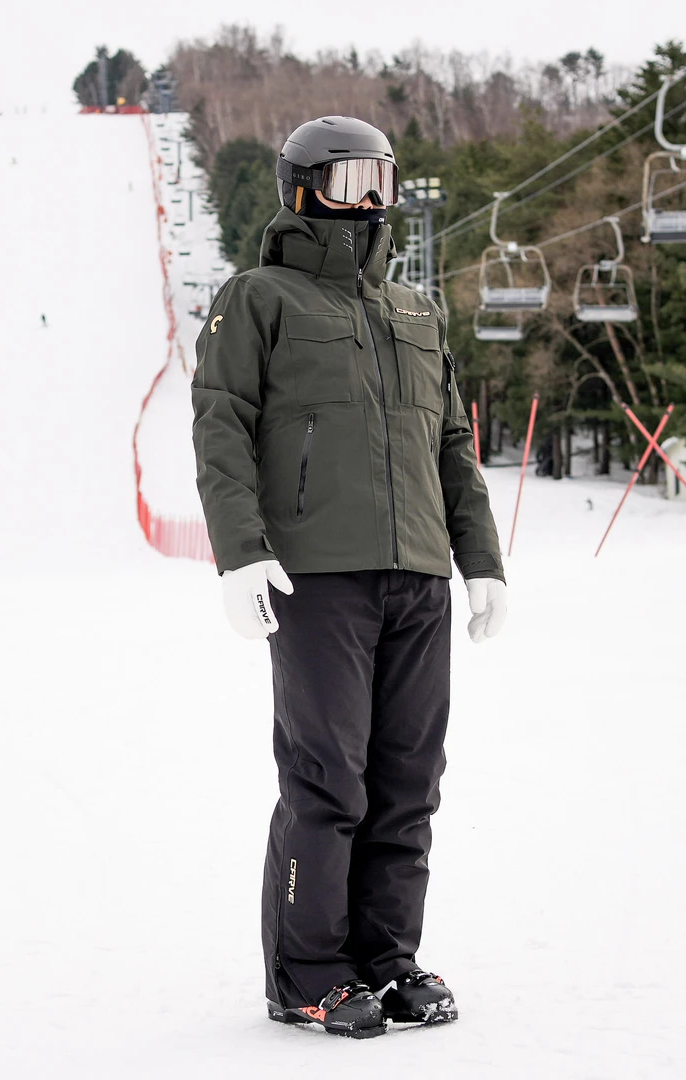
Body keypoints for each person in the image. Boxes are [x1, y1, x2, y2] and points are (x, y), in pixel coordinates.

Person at [191, 116, 507, 1040]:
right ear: (299, 188)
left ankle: (387, 957)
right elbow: (221, 424)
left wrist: (478, 560)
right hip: (319, 577)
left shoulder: (414, 310)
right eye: (344, 181)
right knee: (330, 779)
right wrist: (240, 548)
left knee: (409, 780)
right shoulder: (259, 298)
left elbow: (451, 443)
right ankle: (310, 970)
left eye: (378, 178)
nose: (366, 199)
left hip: (418, 575)